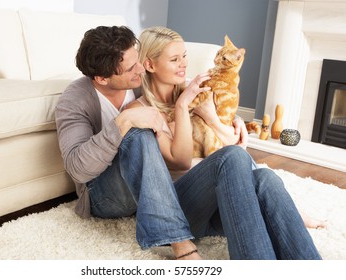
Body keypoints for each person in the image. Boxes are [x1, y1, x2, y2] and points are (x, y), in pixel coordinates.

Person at [125, 26, 322, 259]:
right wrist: (182, 107)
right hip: (179, 210)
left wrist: (220, 119)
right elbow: (182, 162)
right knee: (233, 158)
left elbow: (232, 142)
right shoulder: (140, 110)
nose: (184, 64)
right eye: (175, 59)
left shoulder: (194, 90)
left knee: (266, 178)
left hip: (219, 203)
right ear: (150, 65)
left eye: (185, 56)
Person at [55, 25, 208, 260]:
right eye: (130, 68)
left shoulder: (140, 80)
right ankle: (181, 246)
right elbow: (77, 169)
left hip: (147, 185)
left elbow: (181, 90)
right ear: (102, 78)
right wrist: (123, 121)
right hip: (103, 195)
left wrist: (232, 120)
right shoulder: (74, 100)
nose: (140, 69)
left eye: (138, 61)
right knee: (138, 133)